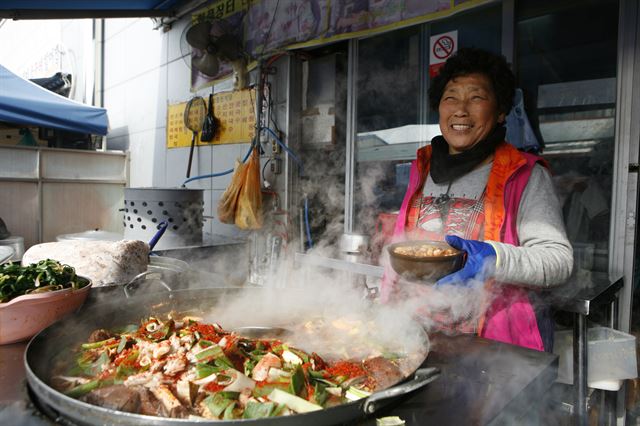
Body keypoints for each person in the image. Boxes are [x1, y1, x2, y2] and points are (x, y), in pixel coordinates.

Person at [381, 47, 573, 351]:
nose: (461, 109)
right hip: (415, 336)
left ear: (499, 112)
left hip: (489, 347)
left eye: (476, 97)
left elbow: (558, 261)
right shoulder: (423, 168)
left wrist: (492, 258)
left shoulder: (524, 175)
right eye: (451, 97)